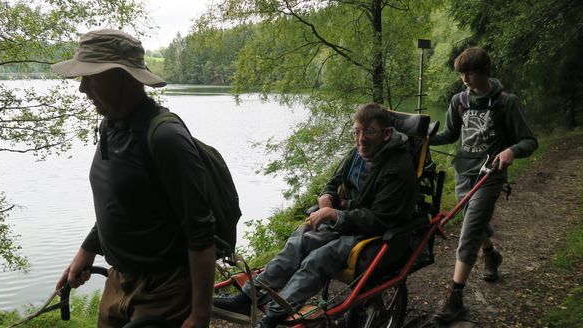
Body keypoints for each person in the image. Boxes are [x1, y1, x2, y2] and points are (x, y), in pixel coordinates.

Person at [52, 29, 216, 328]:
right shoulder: (110, 126)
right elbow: (120, 202)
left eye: (91, 76)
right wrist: (86, 251)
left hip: (165, 289)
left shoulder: (166, 137)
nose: (82, 88)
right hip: (117, 281)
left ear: (122, 76)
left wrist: (200, 313)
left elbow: (200, 230)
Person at [213, 103, 418, 328]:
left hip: (374, 232)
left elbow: (381, 218)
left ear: (386, 134)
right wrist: (326, 197)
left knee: (317, 259)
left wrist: (335, 214)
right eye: (357, 131)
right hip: (348, 221)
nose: (361, 139)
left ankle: (273, 316)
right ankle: (246, 298)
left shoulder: (397, 168)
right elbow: (334, 181)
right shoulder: (357, 153)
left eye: (369, 132)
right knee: (300, 237)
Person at [430, 47, 538, 323]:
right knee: (474, 223)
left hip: (490, 176)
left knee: (469, 229)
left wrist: (511, 151)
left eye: (470, 72)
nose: (464, 77)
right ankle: (491, 255)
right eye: (461, 73)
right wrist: (422, 137)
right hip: (463, 172)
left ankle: (455, 297)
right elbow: (450, 134)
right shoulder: (459, 101)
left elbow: (529, 140)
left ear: (484, 71)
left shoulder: (506, 102)